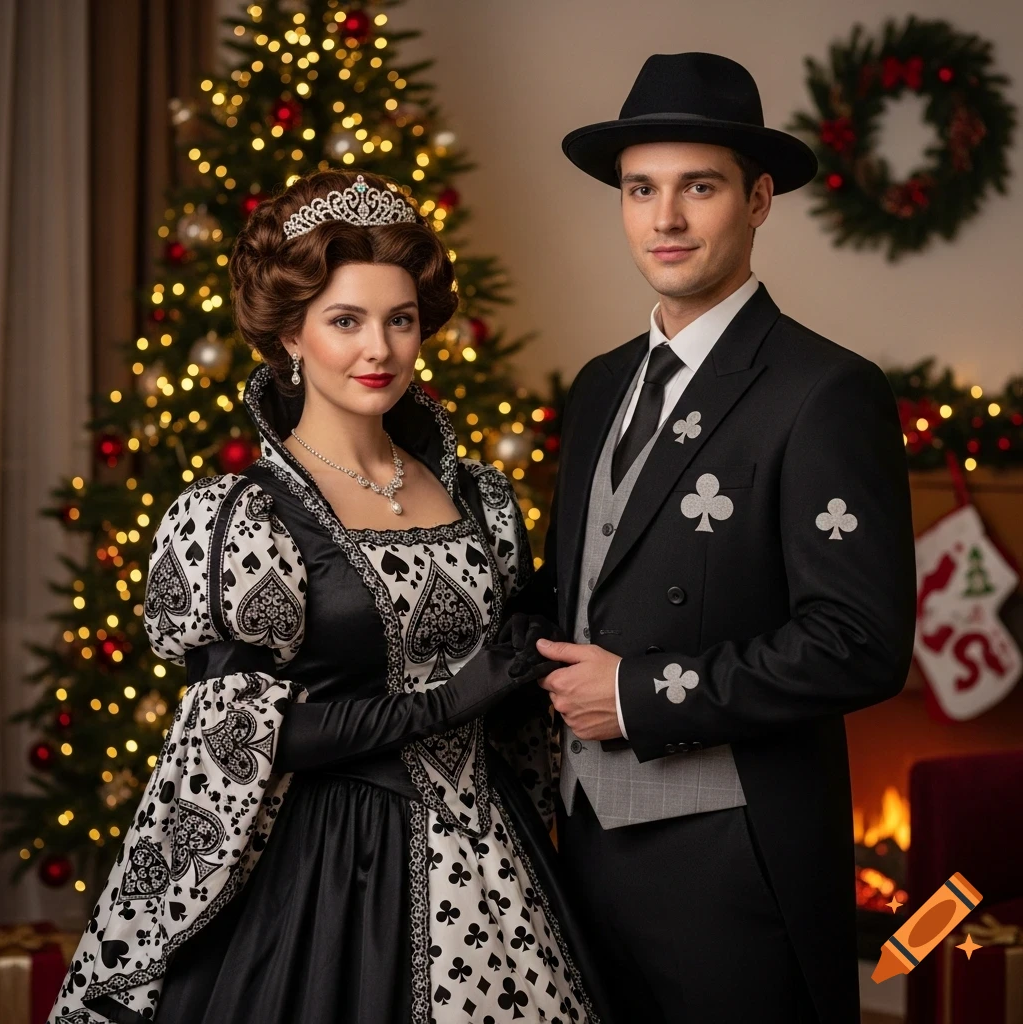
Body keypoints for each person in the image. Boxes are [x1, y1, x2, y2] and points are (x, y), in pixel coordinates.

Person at [48, 169, 607, 1024]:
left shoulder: (483, 499)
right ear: (290, 336)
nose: (378, 349)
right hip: (332, 869)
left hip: (498, 861)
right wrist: (449, 700)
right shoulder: (242, 518)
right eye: (345, 320)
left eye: (400, 319)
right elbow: (246, 733)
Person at [524, 52, 918, 1023]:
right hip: (583, 844)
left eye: (697, 187)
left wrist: (638, 694)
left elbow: (859, 642)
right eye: (640, 190)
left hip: (732, 861)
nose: (664, 218)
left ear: (759, 199)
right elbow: (577, 591)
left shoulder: (824, 392)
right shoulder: (600, 385)